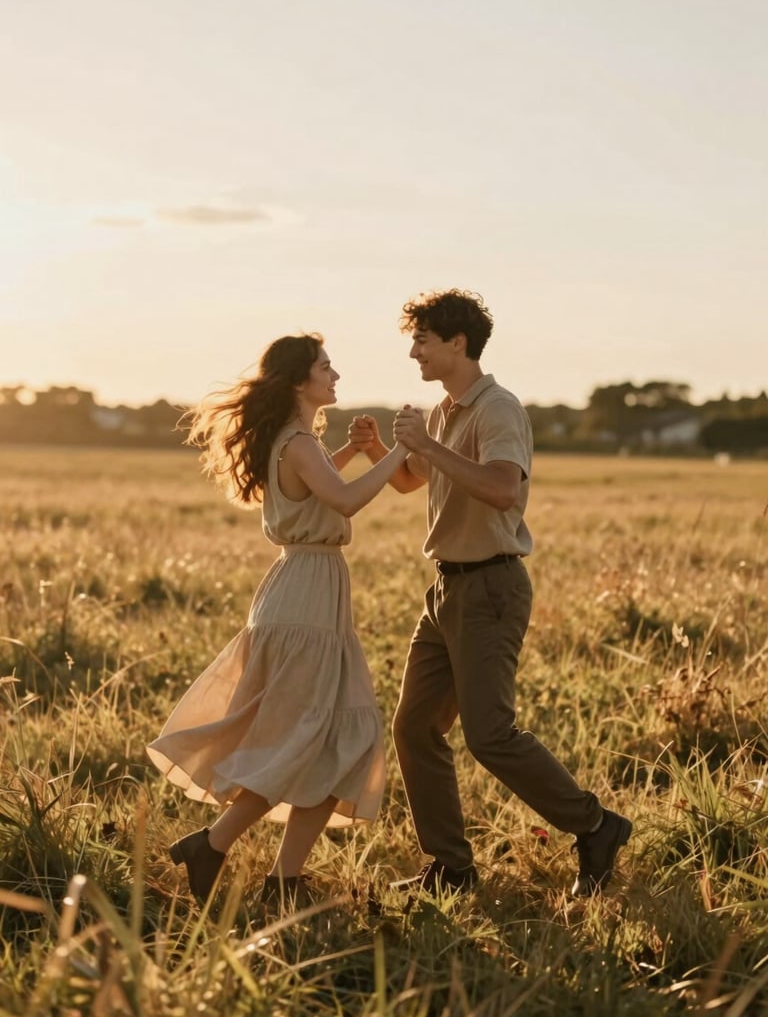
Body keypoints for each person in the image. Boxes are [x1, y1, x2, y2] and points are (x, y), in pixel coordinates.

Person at [350, 289, 632, 897]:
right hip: (445, 590)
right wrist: (383, 448)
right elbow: (411, 482)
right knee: (414, 728)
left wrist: (425, 444)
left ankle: (596, 826)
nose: (413, 351)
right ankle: (451, 867)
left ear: (458, 342)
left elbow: (504, 490)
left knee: (489, 734)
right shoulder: (447, 410)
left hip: (490, 587)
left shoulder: (497, 409)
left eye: (423, 339)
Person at [147, 332, 409, 907]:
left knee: (334, 740)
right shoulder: (296, 442)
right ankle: (214, 846)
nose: (336, 374)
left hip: (307, 595)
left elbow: (314, 491)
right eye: (325, 366)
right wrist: (398, 451)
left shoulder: (298, 444)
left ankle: (282, 879)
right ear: (299, 381)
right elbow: (341, 501)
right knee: (309, 737)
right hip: (304, 603)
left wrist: (356, 452)